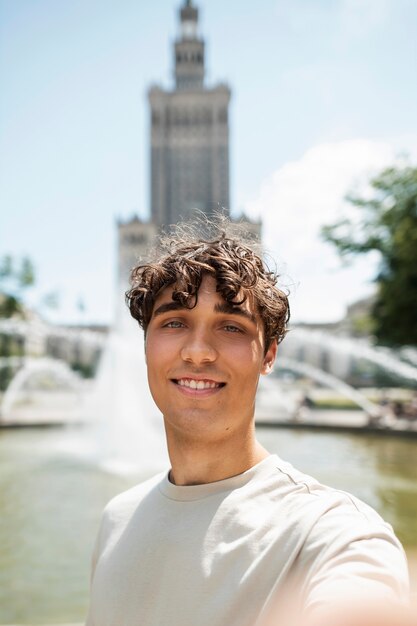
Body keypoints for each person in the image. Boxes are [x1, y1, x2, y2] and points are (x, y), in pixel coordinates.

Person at [86, 221, 410, 626]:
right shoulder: (117, 518)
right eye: (174, 322)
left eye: (231, 327)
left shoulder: (335, 537)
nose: (199, 352)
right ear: (146, 346)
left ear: (269, 355)